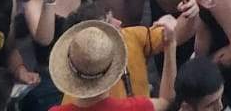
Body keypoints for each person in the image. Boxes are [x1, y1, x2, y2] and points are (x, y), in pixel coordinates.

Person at [47, 14, 177, 111]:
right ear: (112, 69)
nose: (119, 22)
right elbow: (166, 101)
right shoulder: (136, 107)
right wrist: (170, 45)